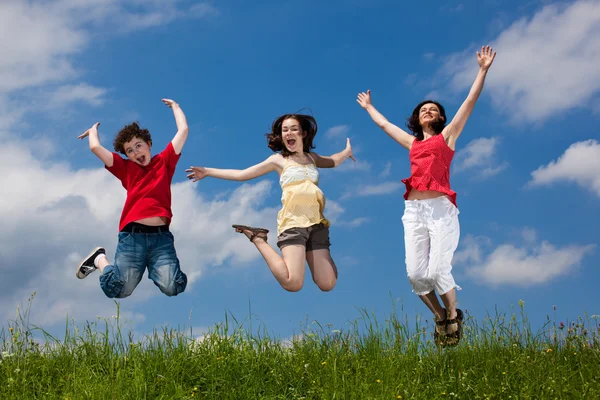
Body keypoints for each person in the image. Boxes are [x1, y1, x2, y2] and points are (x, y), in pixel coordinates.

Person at [357, 46, 497, 346]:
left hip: (441, 210)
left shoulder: (448, 137)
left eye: (433, 109)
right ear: (417, 119)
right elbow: (384, 125)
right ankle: (439, 317)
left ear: (441, 117)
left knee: (437, 270)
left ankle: (452, 314)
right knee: (416, 276)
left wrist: (483, 70)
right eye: (423, 109)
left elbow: (469, 102)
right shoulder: (411, 143)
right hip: (414, 212)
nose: (428, 111)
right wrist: (369, 107)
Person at [186, 113, 355, 292]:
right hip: (293, 223)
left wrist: (346, 152)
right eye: (284, 130)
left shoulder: (312, 158)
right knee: (293, 283)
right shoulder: (278, 160)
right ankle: (258, 238)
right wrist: (208, 171)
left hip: (317, 224)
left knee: (327, 284)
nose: (288, 133)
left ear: (303, 133)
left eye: (293, 129)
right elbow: (243, 174)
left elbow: (334, 161)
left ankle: (315, 255)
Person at [76, 99, 189, 299]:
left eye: (138, 146)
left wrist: (176, 107)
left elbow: (183, 131)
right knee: (119, 289)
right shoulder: (126, 169)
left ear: (149, 144)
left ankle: (156, 269)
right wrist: (93, 132)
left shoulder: (164, 162)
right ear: (126, 155)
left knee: (173, 287)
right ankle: (99, 259)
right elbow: (96, 148)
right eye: (130, 150)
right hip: (132, 237)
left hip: (161, 238)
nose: (136, 152)